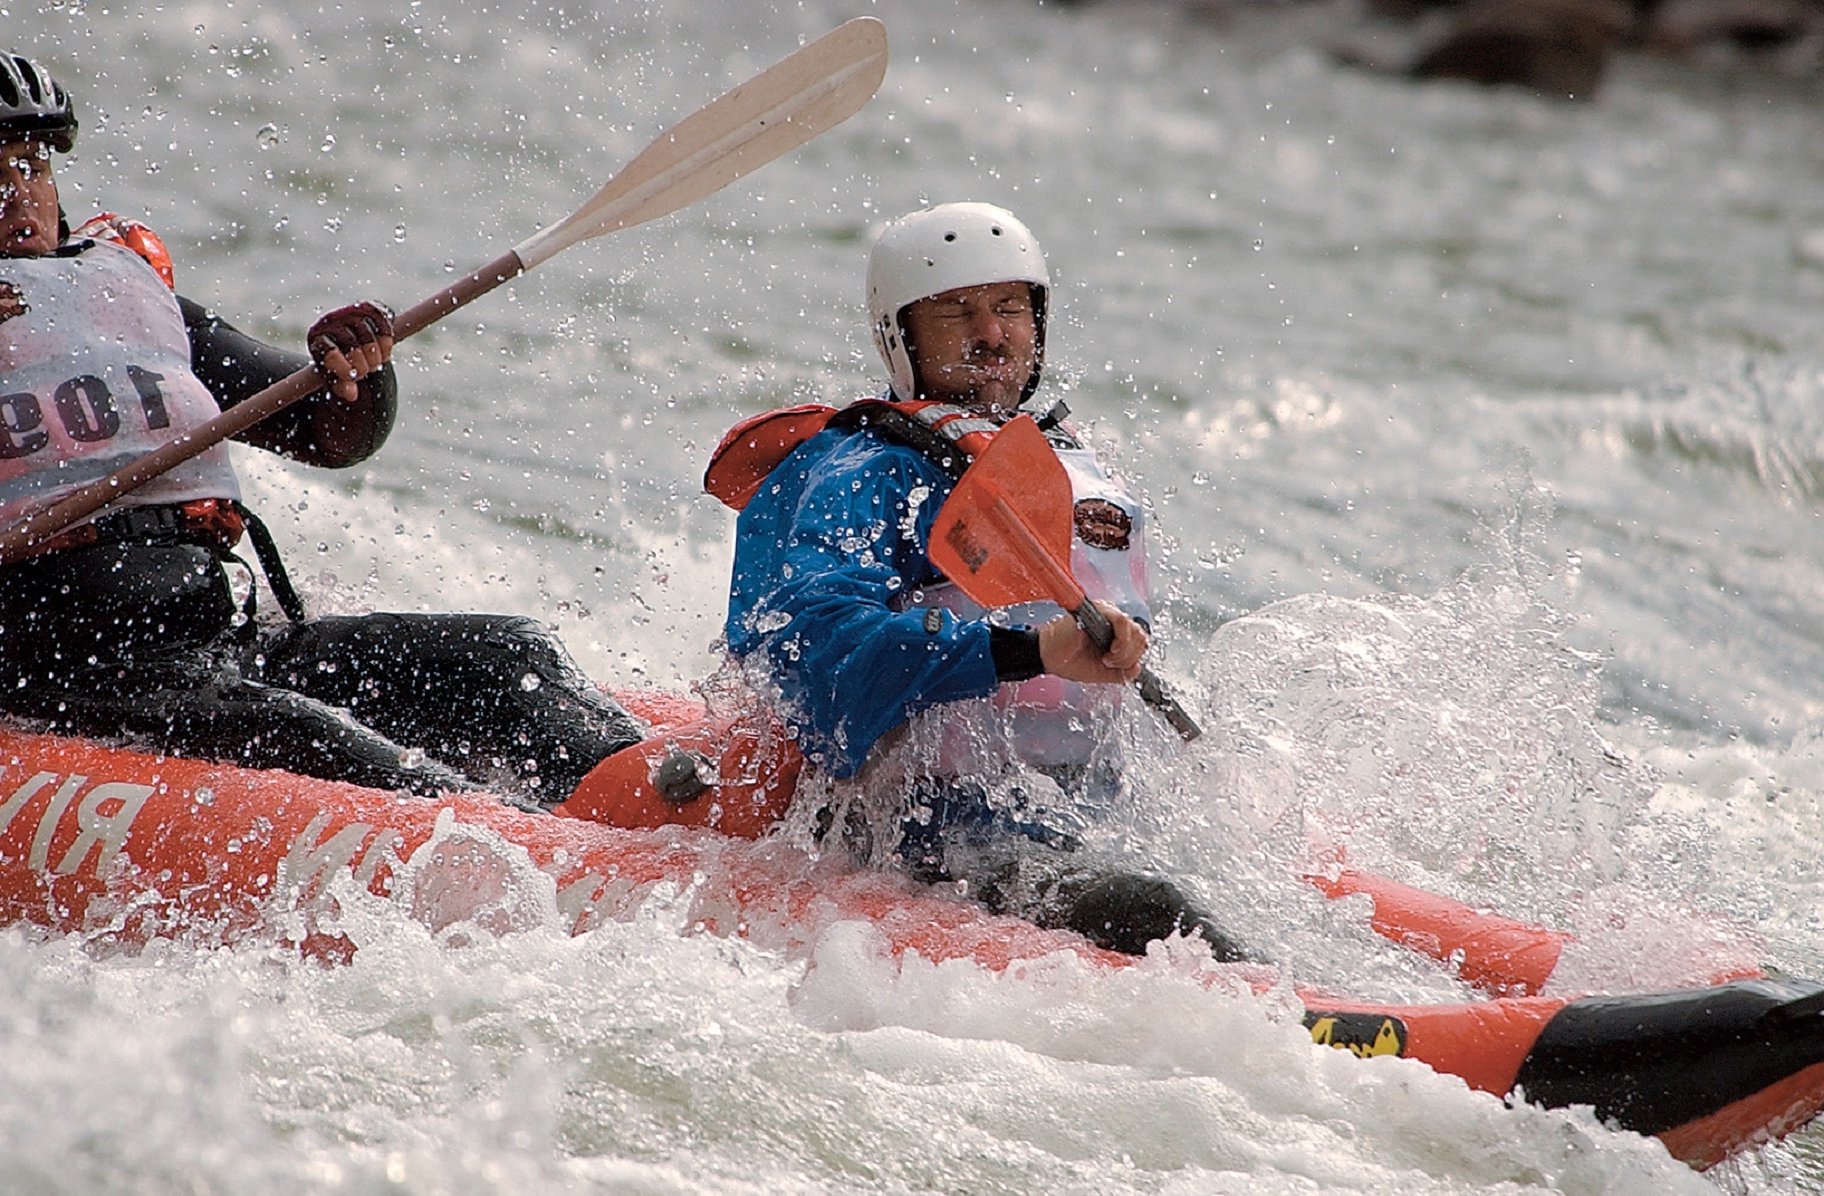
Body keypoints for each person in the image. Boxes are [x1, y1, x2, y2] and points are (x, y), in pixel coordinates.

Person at [0, 52, 641, 801]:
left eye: (30, 167)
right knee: (349, 755)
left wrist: (354, 378)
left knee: (509, 658)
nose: (17, 197)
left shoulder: (122, 293)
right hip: (70, 673)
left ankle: (662, 799)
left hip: (212, 641)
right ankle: (526, 852)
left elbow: (325, 435)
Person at [713, 201, 1250, 959]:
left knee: (1207, 887)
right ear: (901, 339)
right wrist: (1025, 651)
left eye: (1008, 309)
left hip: (1085, 806)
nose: (992, 335)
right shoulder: (870, 471)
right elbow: (818, 654)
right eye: (957, 314)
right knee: (1151, 908)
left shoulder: (1072, 466)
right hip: (926, 823)